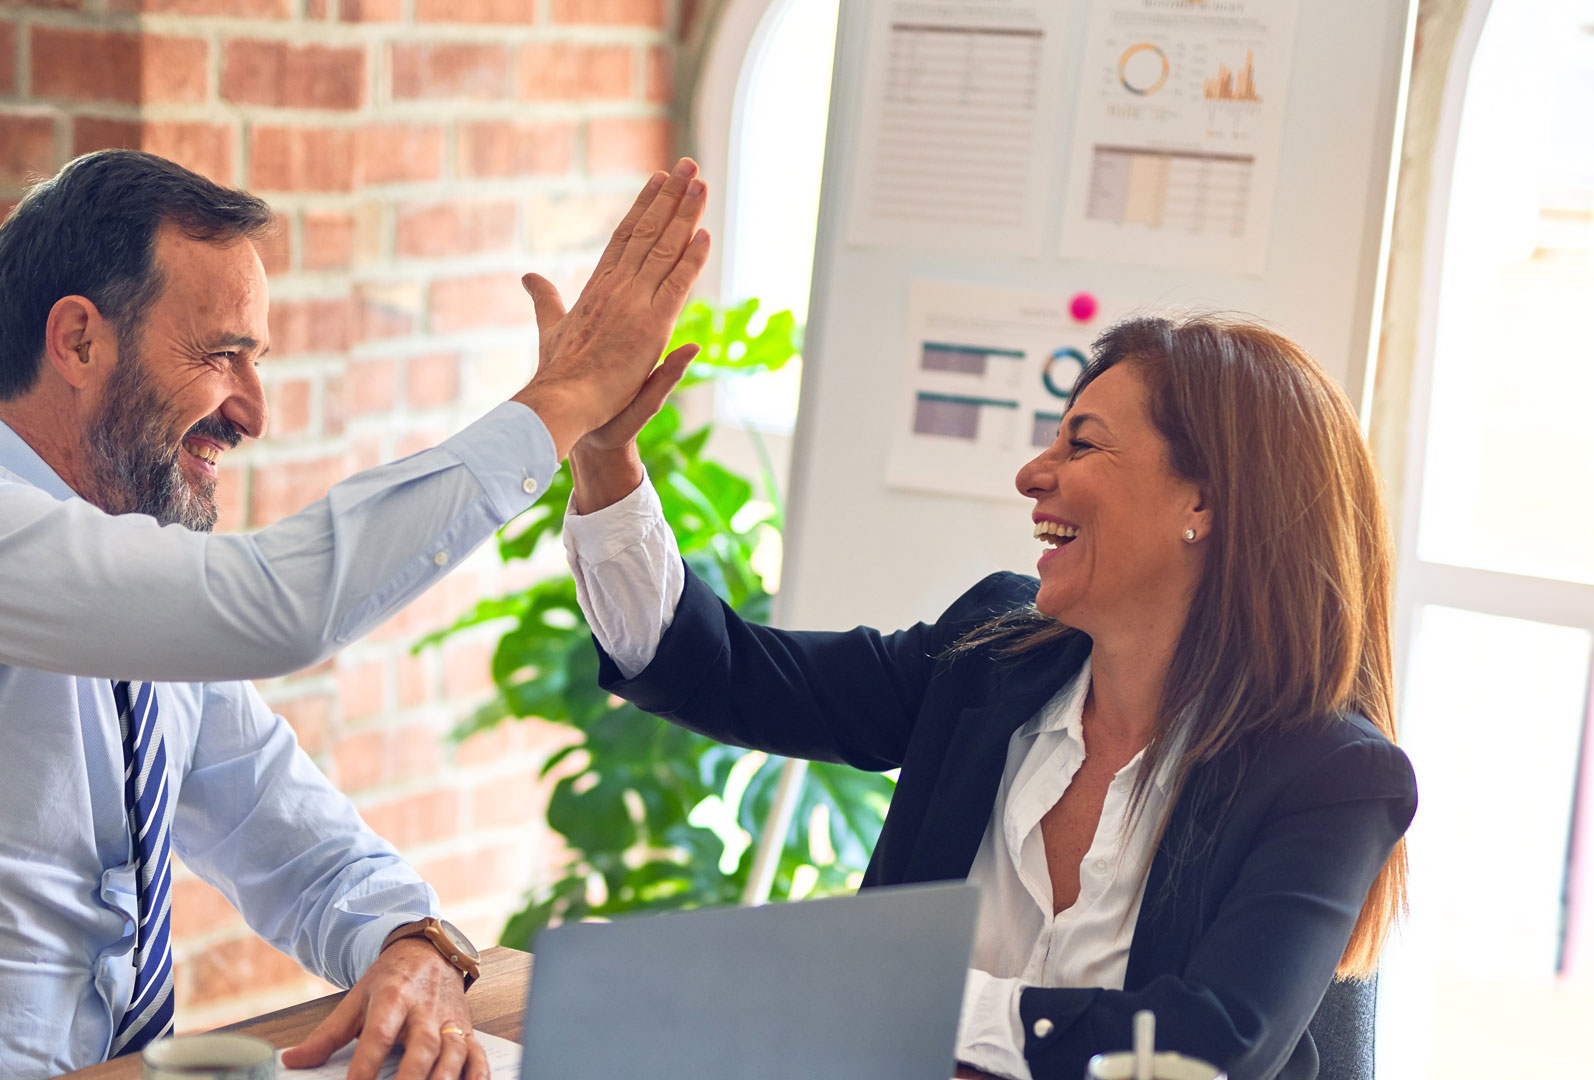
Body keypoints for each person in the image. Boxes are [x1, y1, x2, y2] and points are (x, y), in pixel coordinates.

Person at [0, 148, 711, 1080]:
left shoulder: (149, 633)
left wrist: (414, 945)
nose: (253, 410)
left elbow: (306, 851)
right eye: (222, 354)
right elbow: (281, 606)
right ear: (79, 340)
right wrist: (564, 401)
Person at [558, 315, 1416, 1080]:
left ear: (1203, 501)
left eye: (1082, 446)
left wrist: (911, 1007)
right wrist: (604, 457)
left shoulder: (1332, 776)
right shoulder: (991, 654)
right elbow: (725, 672)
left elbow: (1208, 1048)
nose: (1032, 474)